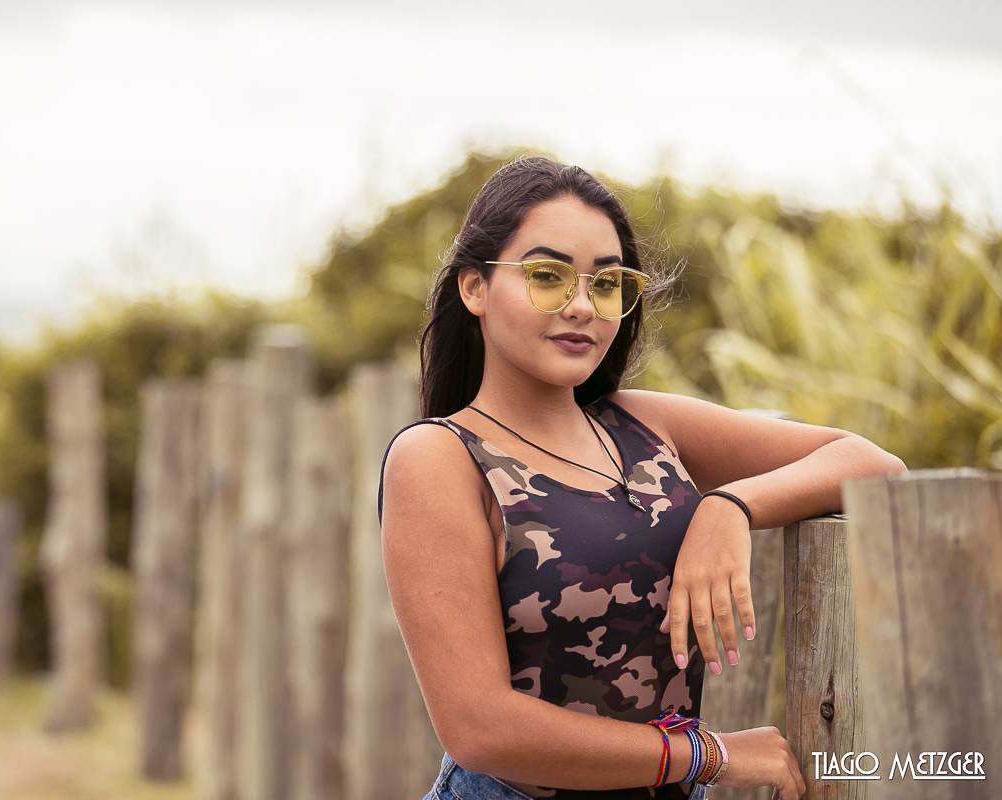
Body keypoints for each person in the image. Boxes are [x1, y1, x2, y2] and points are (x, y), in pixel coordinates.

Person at [378, 157, 906, 800]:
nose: (581, 306)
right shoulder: (441, 457)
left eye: (607, 285)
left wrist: (729, 507)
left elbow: (873, 464)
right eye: (547, 276)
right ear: (475, 288)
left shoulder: (641, 424)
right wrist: (706, 755)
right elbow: (481, 730)